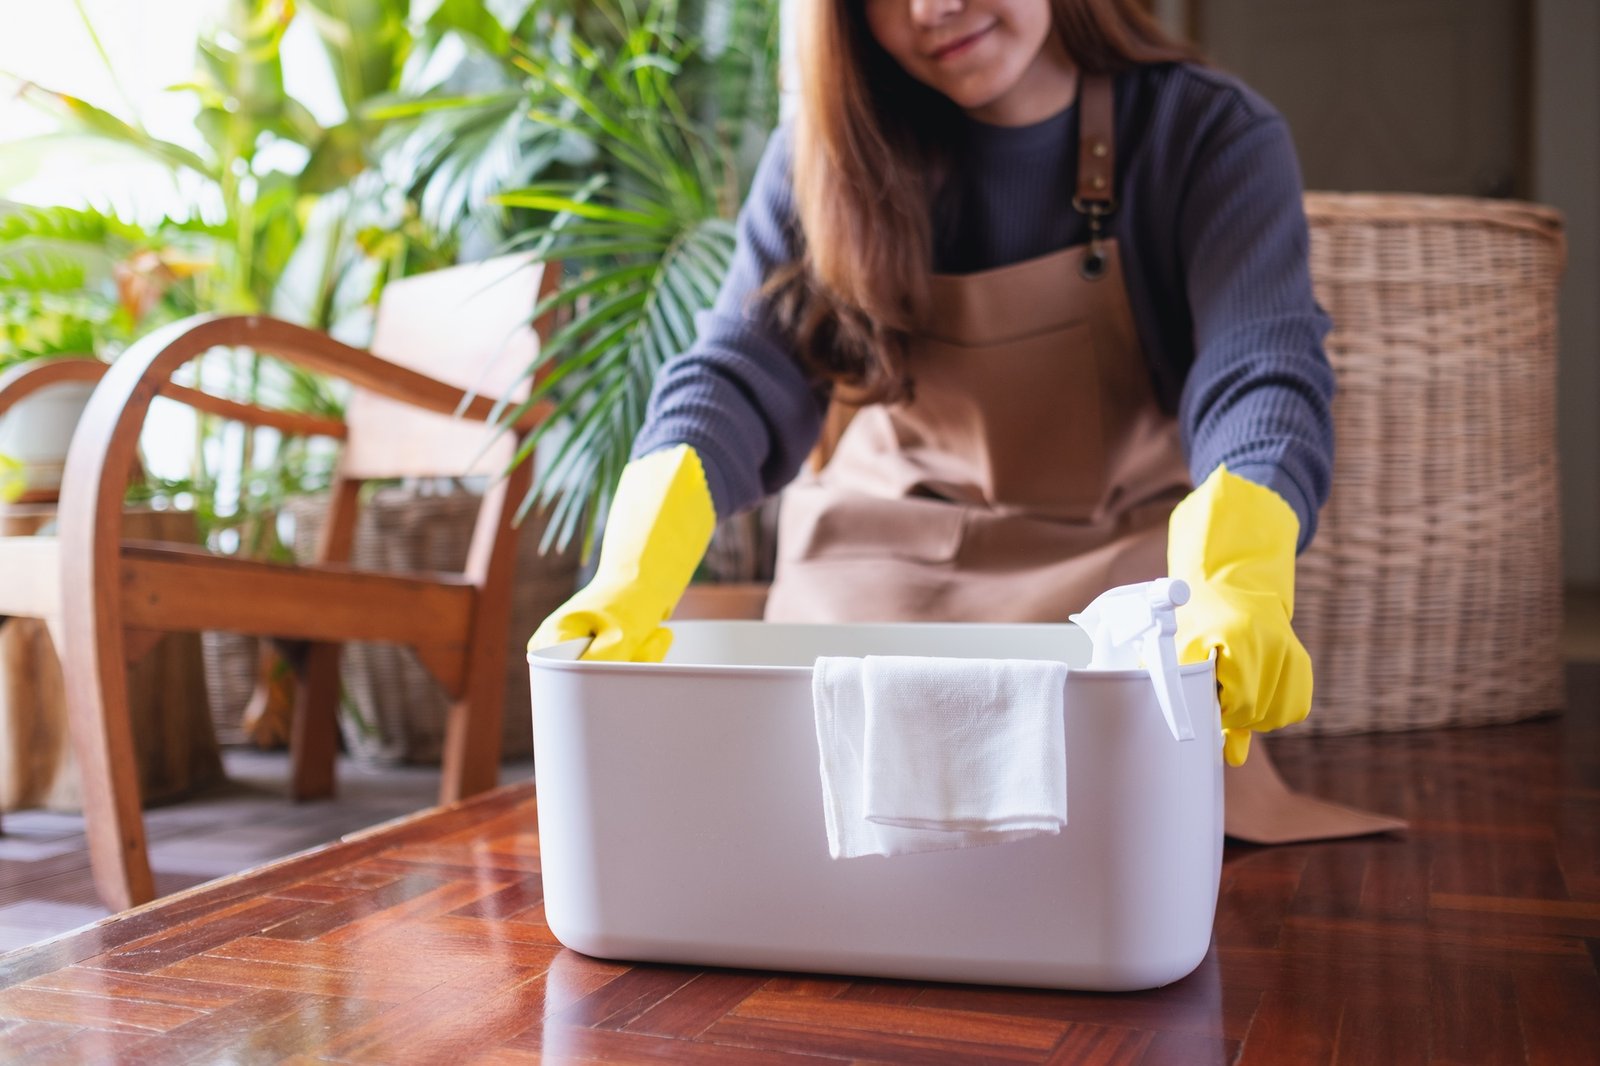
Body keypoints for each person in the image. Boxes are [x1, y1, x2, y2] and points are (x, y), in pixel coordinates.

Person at [530, 0, 1402, 839]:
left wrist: (1237, 568)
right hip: (876, 588)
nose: (933, 6)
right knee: (796, 834)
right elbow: (738, 370)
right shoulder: (828, 153)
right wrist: (635, 563)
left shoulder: (1207, 135)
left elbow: (1260, 370)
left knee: (1129, 845)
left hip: (1103, 603)